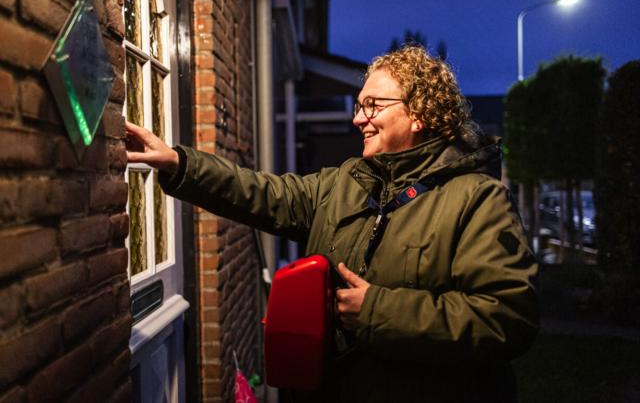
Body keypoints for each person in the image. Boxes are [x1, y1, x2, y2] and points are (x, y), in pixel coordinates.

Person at [126, 45, 539, 403]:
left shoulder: (479, 199)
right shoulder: (342, 183)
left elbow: (506, 318)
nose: (359, 119)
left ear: (419, 115)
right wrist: (179, 163)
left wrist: (377, 311)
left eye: (373, 105)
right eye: (360, 106)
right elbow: (259, 192)